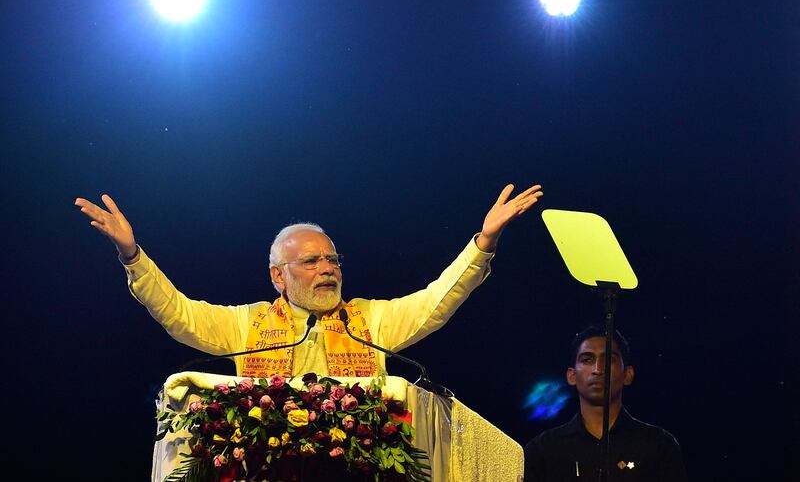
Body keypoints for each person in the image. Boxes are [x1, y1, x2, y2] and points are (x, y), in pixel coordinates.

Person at [75, 184, 543, 378]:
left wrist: (483, 240)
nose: (328, 269)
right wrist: (131, 255)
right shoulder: (247, 325)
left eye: (333, 260)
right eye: (312, 262)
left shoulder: (370, 320)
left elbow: (437, 300)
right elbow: (177, 312)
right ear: (278, 276)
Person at [524, 325, 687, 482]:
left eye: (609, 359)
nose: (598, 369)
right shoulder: (543, 450)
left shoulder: (658, 446)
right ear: (571, 375)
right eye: (587, 359)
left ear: (628, 374)